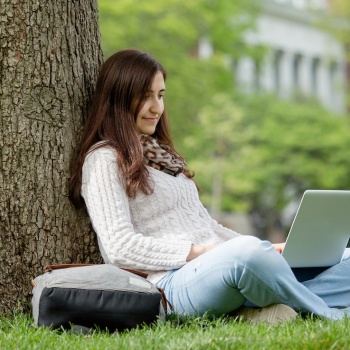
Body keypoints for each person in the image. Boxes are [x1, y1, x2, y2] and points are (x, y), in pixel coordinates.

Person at [69, 49, 350, 323]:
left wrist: (269, 248)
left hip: (216, 268)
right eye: (145, 97)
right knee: (248, 256)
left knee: (343, 257)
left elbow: (209, 228)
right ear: (118, 99)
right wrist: (199, 252)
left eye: (160, 95)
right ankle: (330, 314)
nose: (157, 107)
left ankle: (269, 306)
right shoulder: (104, 158)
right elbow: (119, 247)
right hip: (168, 283)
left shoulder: (162, 156)